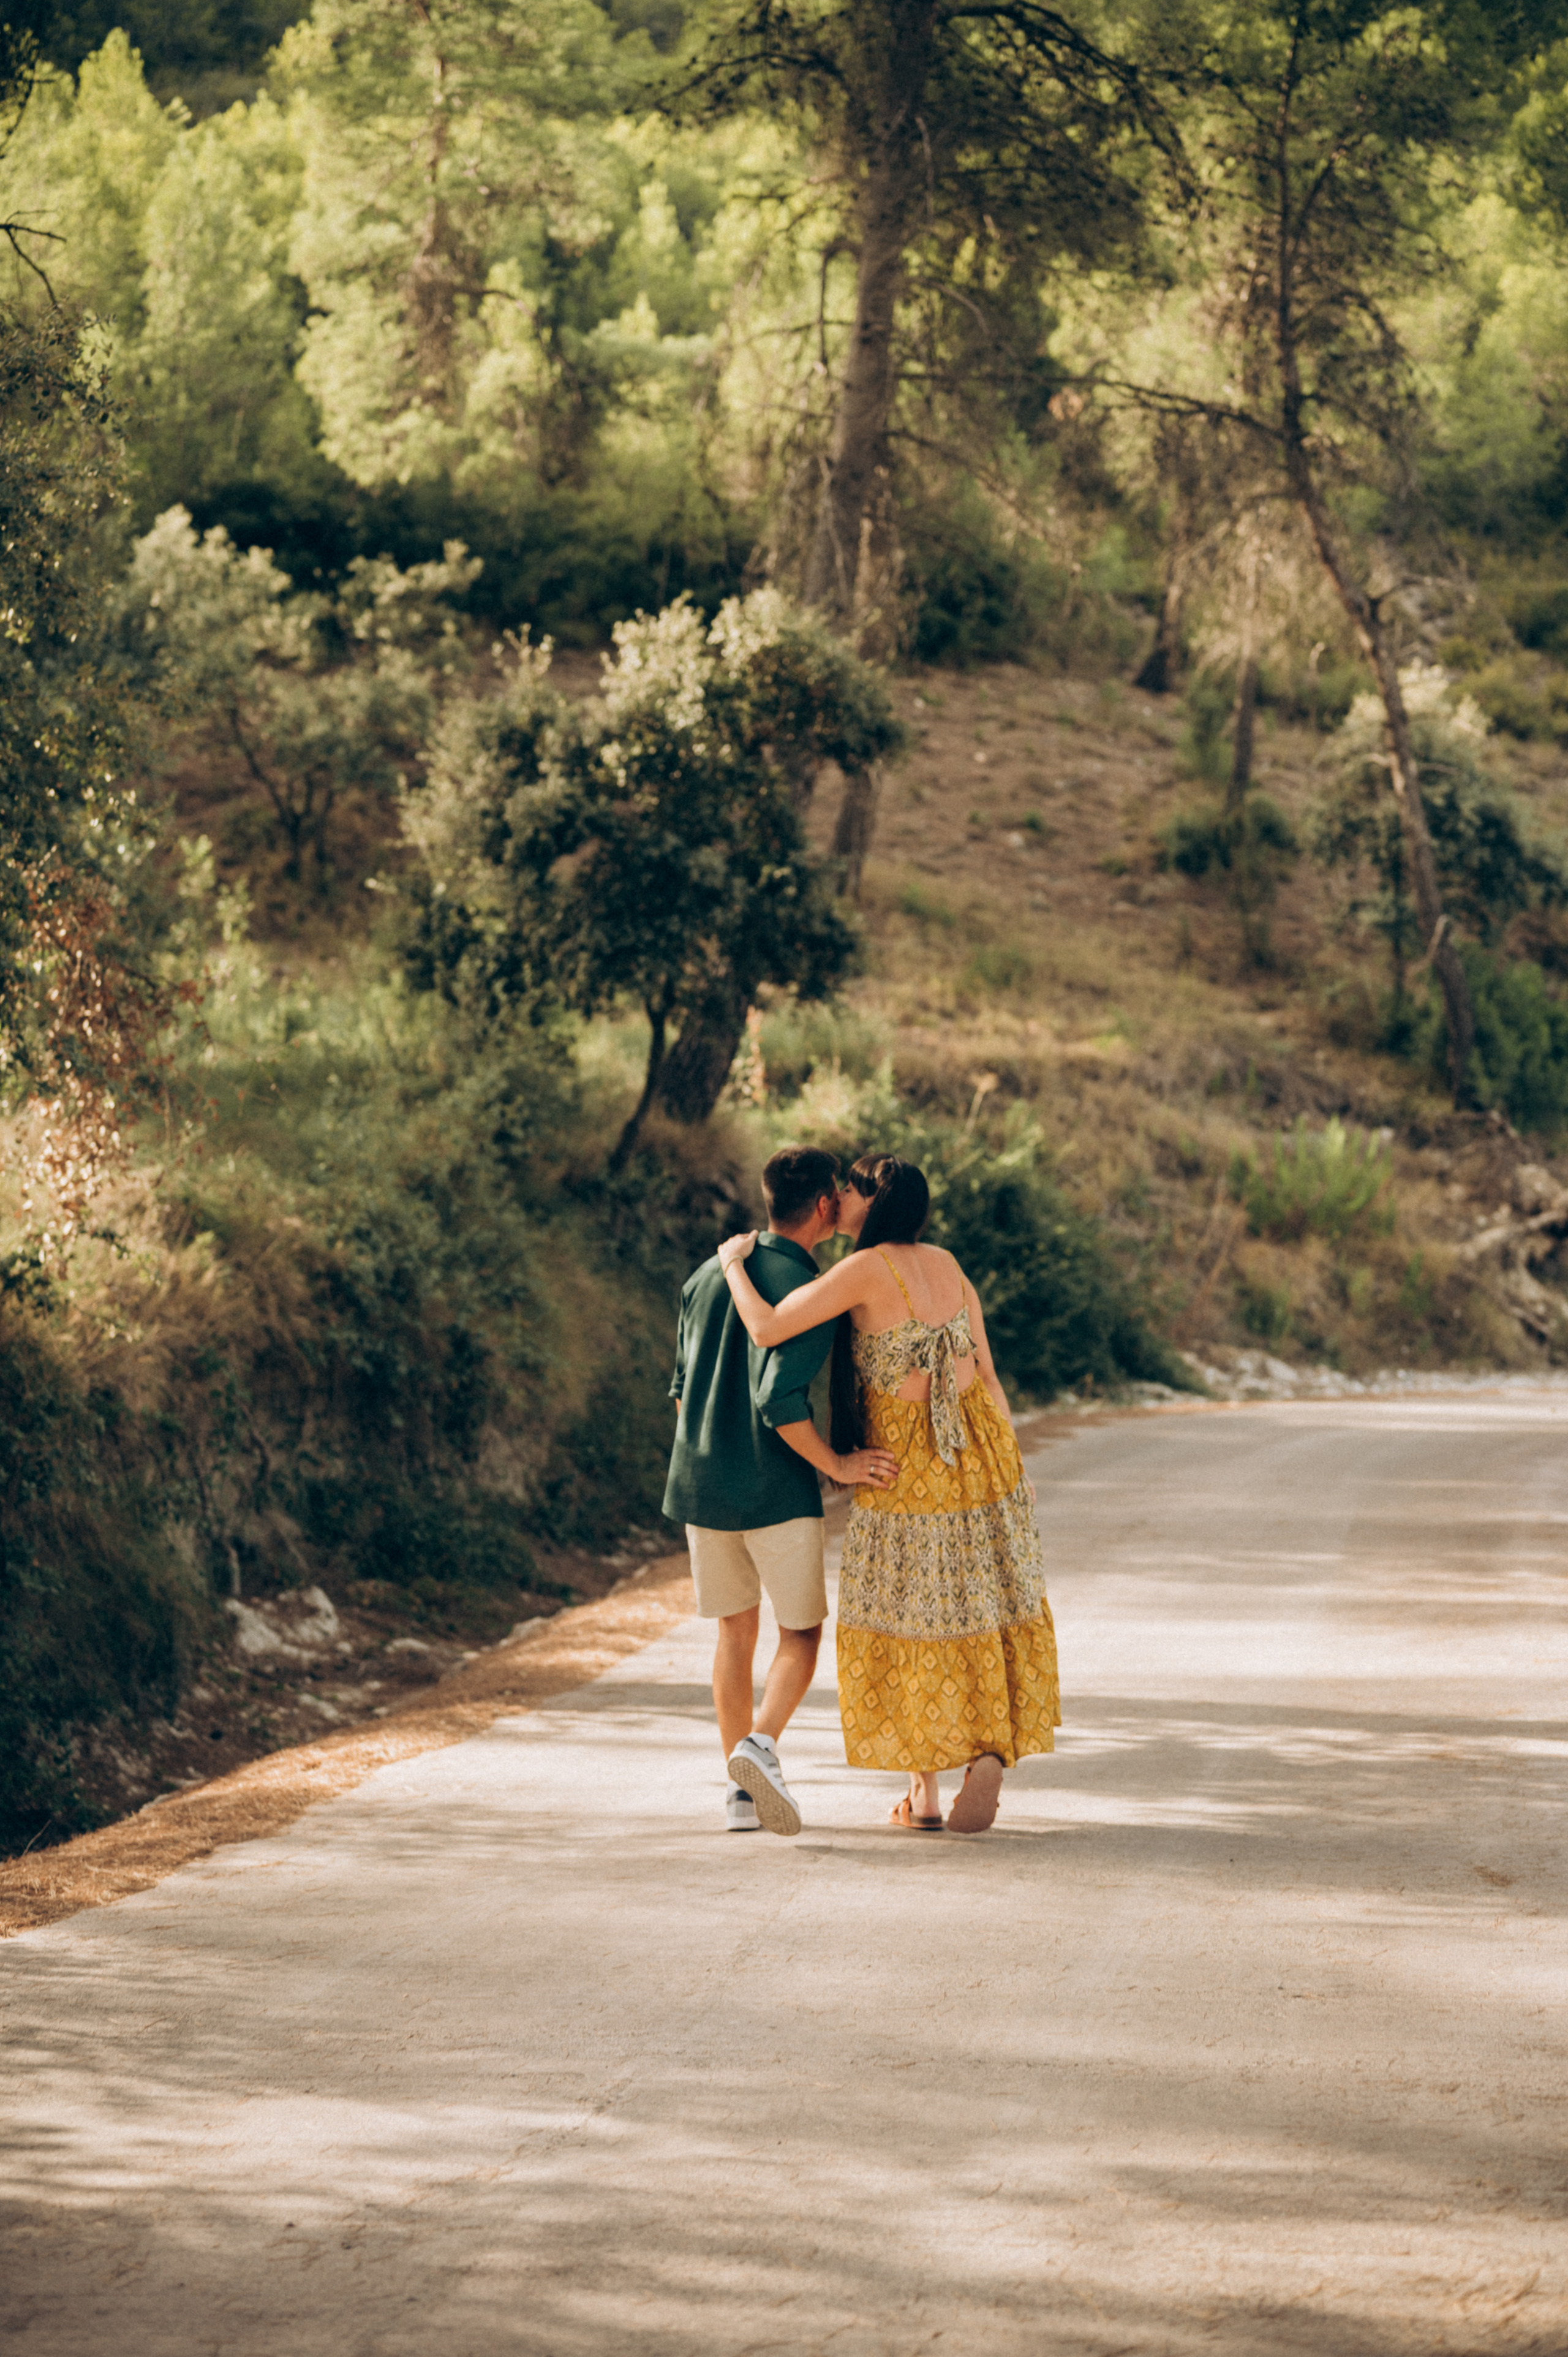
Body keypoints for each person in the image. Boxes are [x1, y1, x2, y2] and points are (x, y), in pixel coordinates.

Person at [717, 1151, 1059, 1834]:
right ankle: (971, 1760)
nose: (839, 1196)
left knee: (908, 1615)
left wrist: (731, 1262)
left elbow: (768, 1327)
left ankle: (928, 1787)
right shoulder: (950, 1264)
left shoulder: (864, 1269)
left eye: (852, 1187)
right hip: (980, 1449)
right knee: (976, 1602)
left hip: (903, 1463)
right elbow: (988, 1373)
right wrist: (1008, 1468)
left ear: (873, 1202)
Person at [664, 1146, 897, 1836]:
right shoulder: (808, 1283)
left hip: (701, 1485)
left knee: (734, 1633)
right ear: (827, 1204)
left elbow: (681, 1397)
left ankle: (739, 1797)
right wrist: (837, 1464)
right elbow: (780, 1400)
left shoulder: (706, 1274)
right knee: (800, 1632)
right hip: (774, 1485)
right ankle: (757, 1749)